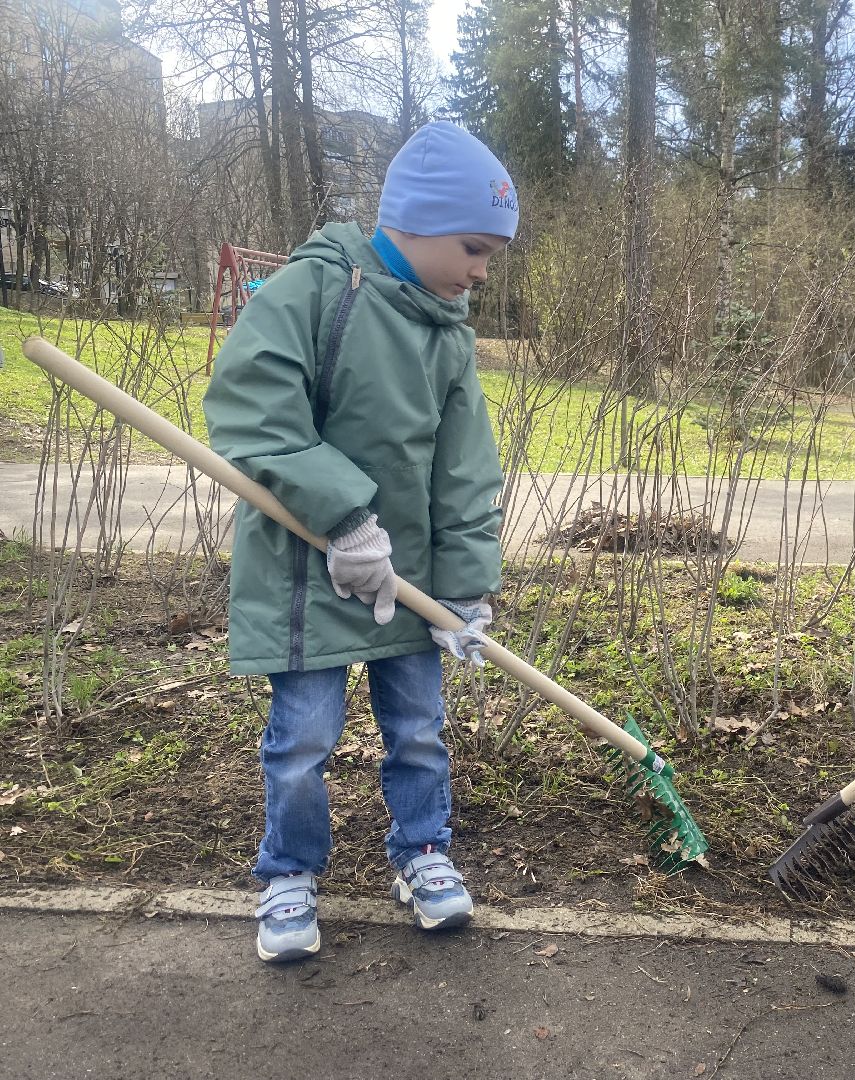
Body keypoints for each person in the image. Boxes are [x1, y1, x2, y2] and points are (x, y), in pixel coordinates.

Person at [203, 121, 515, 963]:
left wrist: (466, 589)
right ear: (414, 222)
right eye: (475, 247)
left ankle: (421, 852)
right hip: (307, 571)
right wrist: (343, 519)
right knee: (303, 740)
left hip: (406, 580)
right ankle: (289, 872)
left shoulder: (448, 334)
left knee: (417, 728)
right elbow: (253, 411)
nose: (482, 270)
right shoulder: (313, 289)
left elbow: (465, 473)